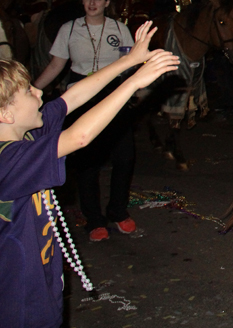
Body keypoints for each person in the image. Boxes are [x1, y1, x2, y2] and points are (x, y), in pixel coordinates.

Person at [0, 23, 179, 328]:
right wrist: (134, 82)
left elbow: (74, 96)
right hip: (19, 303)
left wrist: (128, 61)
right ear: (6, 115)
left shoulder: (27, 134)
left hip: (42, 289)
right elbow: (79, 136)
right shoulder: (9, 160)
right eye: (27, 91)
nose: (38, 91)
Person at [33, 0, 139, 241]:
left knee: (124, 156)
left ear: (106, 3)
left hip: (112, 93)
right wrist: (33, 90)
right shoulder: (69, 29)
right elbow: (56, 66)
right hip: (80, 93)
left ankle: (117, 210)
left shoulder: (119, 28)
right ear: (82, 1)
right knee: (87, 160)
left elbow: (130, 63)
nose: (92, 3)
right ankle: (94, 220)